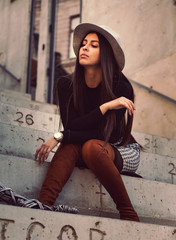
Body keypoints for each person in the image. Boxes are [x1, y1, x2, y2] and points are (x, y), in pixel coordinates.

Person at [35, 23, 141, 221]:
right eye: (84, 44)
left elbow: (103, 134)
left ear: (107, 53)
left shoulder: (121, 87)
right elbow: (73, 127)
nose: (84, 48)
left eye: (94, 45)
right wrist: (105, 107)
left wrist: (60, 136)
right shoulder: (66, 84)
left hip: (119, 148)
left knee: (91, 147)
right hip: (82, 144)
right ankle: (42, 206)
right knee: (71, 144)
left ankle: (128, 213)